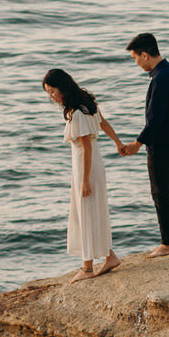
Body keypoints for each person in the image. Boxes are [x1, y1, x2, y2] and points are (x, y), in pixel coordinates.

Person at [118, 32, 169, 256]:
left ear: (145, 55)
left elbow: (156, 118)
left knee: (160, 191)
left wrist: (137, 143)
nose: (136, 62)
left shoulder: (160, 78)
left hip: (164, 144)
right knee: (165, 190)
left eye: (135, 58)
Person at [41, 68, 127, 281]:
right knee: (92, 211)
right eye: (48, 93)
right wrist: (118, 143)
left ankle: (87, 268)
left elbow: (86, 147)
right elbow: (104, 124)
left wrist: (85, 180)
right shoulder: (86, 103)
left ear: (62, 87)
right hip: (91, 164)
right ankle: (109, 256)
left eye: (52, 91)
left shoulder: (77, 112)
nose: (50, 97)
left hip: (86, 166)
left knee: (86, 213)